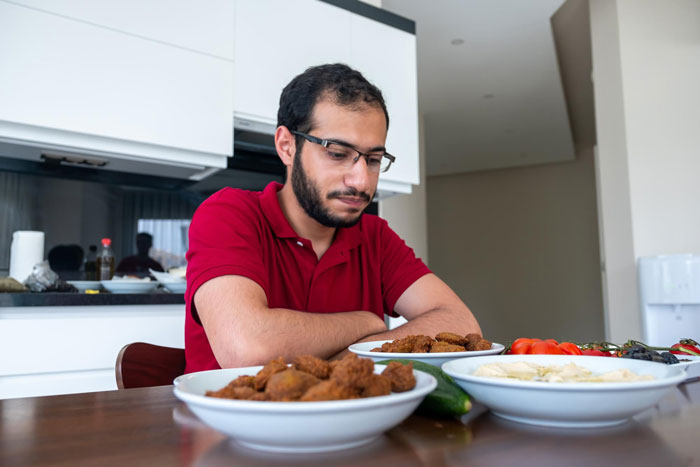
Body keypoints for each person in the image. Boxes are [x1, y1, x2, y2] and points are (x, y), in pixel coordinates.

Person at [185, 63, 481, 373]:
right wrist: (365, 322)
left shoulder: (374, 236)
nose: (361, 181)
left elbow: (460, 322)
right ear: (287, 146)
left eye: (373, 160)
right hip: (229, 420)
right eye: (338, 153)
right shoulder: (228, 213)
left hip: (352, 420)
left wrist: (344, 359)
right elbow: (247, 347)